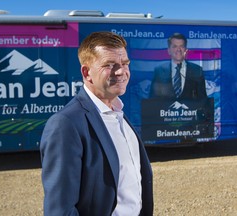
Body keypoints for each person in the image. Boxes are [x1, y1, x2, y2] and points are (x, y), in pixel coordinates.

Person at [40, 31, 153, 216]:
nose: (121, 71)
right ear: (87, 72)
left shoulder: (118, 114)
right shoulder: (66, 124)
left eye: (125, 64)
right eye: (109, 65)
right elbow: (59, 210)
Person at [150, 32, 207, 99]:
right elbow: (152, 99)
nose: (178, 50)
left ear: (186, 50)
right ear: (169, 50)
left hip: (190, 109)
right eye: (175, 46)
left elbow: (203, 100)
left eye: (181, 46)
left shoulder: (197, 70)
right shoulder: (159, 71)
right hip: (164, 109)